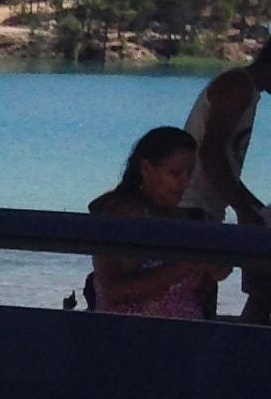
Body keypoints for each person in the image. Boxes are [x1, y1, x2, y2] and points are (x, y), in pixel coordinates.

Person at [181, 28, 271, 319]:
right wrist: (245, 210)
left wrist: (253, 207)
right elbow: (210, 154)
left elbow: (223, 162)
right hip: (191, 209)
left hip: (205, 210)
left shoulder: (247, 91)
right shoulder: (238, 87)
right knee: (193, 306)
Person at [88, 130, 227, 318]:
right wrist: (186, 265)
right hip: (130, 335)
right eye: (175, 173)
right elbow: (114, 291)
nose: (185, 183)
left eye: (189, 174)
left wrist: (214, 268)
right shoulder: (125, 215)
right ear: (146, 169)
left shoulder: (190, 219)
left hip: (189, 336)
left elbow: (207, 283)